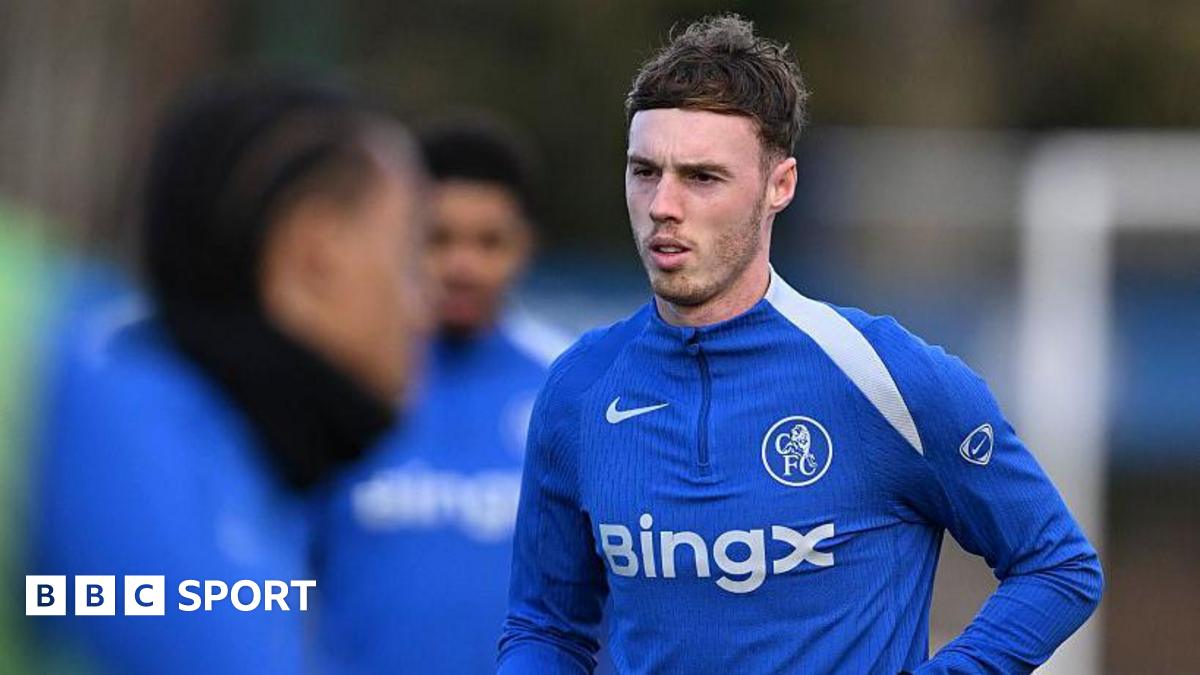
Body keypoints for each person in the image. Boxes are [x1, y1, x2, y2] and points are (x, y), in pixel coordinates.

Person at [499, 14, 1102, 674]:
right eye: (645, 171)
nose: (663, 204)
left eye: (702, 177)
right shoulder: (580, 388)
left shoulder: (882, 376)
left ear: (779, 185)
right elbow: (546, 627)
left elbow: (1057, 565)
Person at [30, 73, 428, 674]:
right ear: (316, 253)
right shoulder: (134, 447)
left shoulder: (238, 467)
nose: (423, 313)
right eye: (409, 259)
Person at [314, 118, 571, 674]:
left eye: (489, 242)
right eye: (439, 239)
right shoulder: (337, 383)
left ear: (526, 246)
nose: (462, 266)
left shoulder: (573, 388)